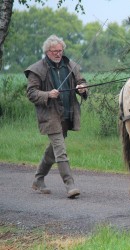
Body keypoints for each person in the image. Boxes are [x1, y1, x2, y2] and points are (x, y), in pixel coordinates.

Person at [25, 34, 88, 198]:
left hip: (68, 114)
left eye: (60, 50)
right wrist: (47, 94)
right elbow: (31, 93)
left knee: (53, 150)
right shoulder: (37, 69)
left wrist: (82, 88)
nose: (58, 54)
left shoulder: (71, 65)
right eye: (54, 51)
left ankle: (38, 179)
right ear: (47, 51)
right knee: (60, 151)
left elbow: (82, 81)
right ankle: (70, 185)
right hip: (50, 116)